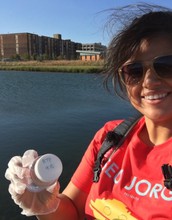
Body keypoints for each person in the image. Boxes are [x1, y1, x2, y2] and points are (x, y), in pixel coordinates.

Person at [5, 3, 172, 219]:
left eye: (166, 65)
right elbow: (71, 210)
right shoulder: (111, 137)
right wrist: (44, 203)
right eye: (134, 71)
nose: (149, 81)